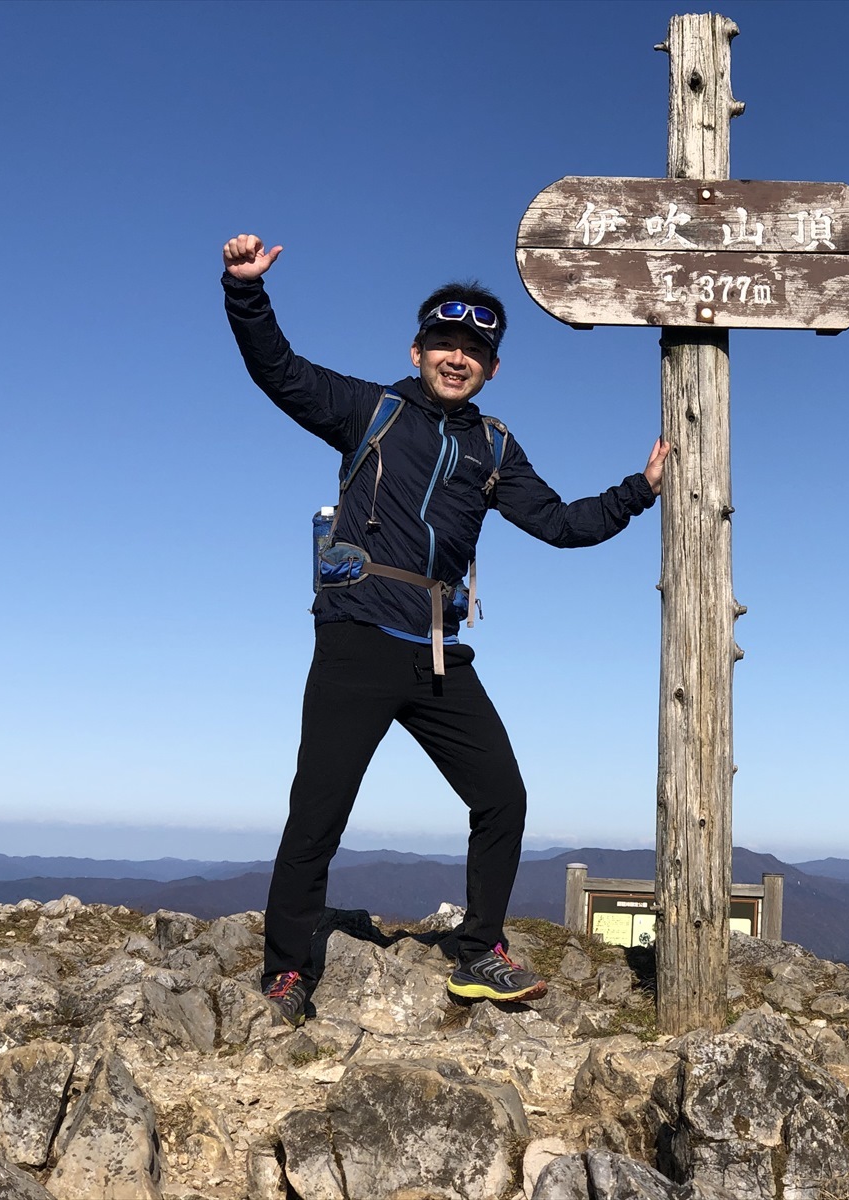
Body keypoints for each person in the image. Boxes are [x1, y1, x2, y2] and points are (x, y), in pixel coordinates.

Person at [221, 233, 668, 1025]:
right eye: (444, 343)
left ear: (493, 368)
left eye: (474, 349)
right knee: (319, 811)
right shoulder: (371, 411)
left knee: (502, 797)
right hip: (356, 637)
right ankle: (289, 971)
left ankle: (479, 953)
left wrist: (640, 489)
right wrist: (245, 289)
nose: (457, 357)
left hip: (437, 655)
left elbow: (562, 523)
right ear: (418, 349)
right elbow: (278, 371)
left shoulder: (493, 447)